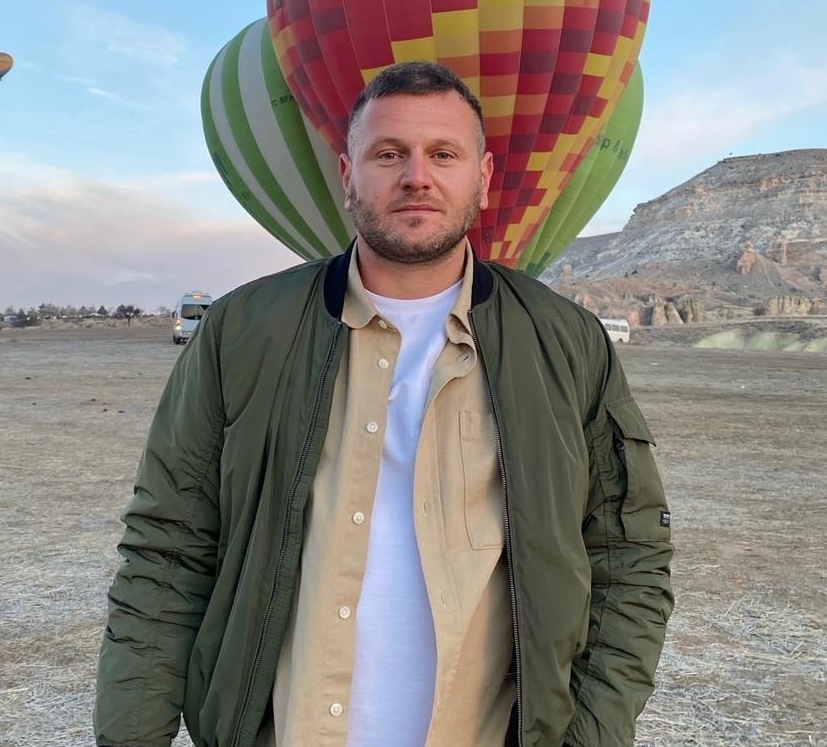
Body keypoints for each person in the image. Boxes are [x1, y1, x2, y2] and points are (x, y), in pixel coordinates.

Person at [94, 61, 673, 747]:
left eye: (444, 154)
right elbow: (167, 550)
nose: (417, 177)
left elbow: (627, 556)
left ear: (484, 177)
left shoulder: (564, 341)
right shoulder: (243, 331)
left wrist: (592, 734)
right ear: (347, 175)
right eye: (389, 154)